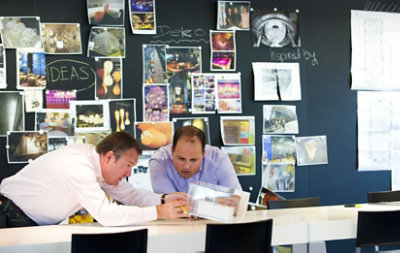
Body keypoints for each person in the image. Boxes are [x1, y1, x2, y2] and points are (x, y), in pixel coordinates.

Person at [0, 131, 190, 228]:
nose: (129, 174)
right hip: (9, 215)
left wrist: (164, 199)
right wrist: (158, 212)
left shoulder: (99, 164)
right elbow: (107, 216)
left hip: (29, 221)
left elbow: (130, 195)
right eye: (127, 165)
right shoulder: (78, 167)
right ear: (109, 157)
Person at [149, 126, 242, 193]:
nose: (186, 166)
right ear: (172, 151)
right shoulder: (159, 161)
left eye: (193, 160)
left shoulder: (219, 159)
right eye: (181, 159)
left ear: (203, 154)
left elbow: (236, 200)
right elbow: (172, 205)